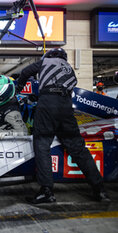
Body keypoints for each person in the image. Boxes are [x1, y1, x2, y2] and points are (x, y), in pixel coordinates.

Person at [16, 47, 109, 203]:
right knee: (78, 148)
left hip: (47, 104)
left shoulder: (46, 61)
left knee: (42, 144)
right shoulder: (70, 70)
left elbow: (25, 72)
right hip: (66, 107)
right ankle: (99, 190)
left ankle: (47, 191)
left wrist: (18, 89)